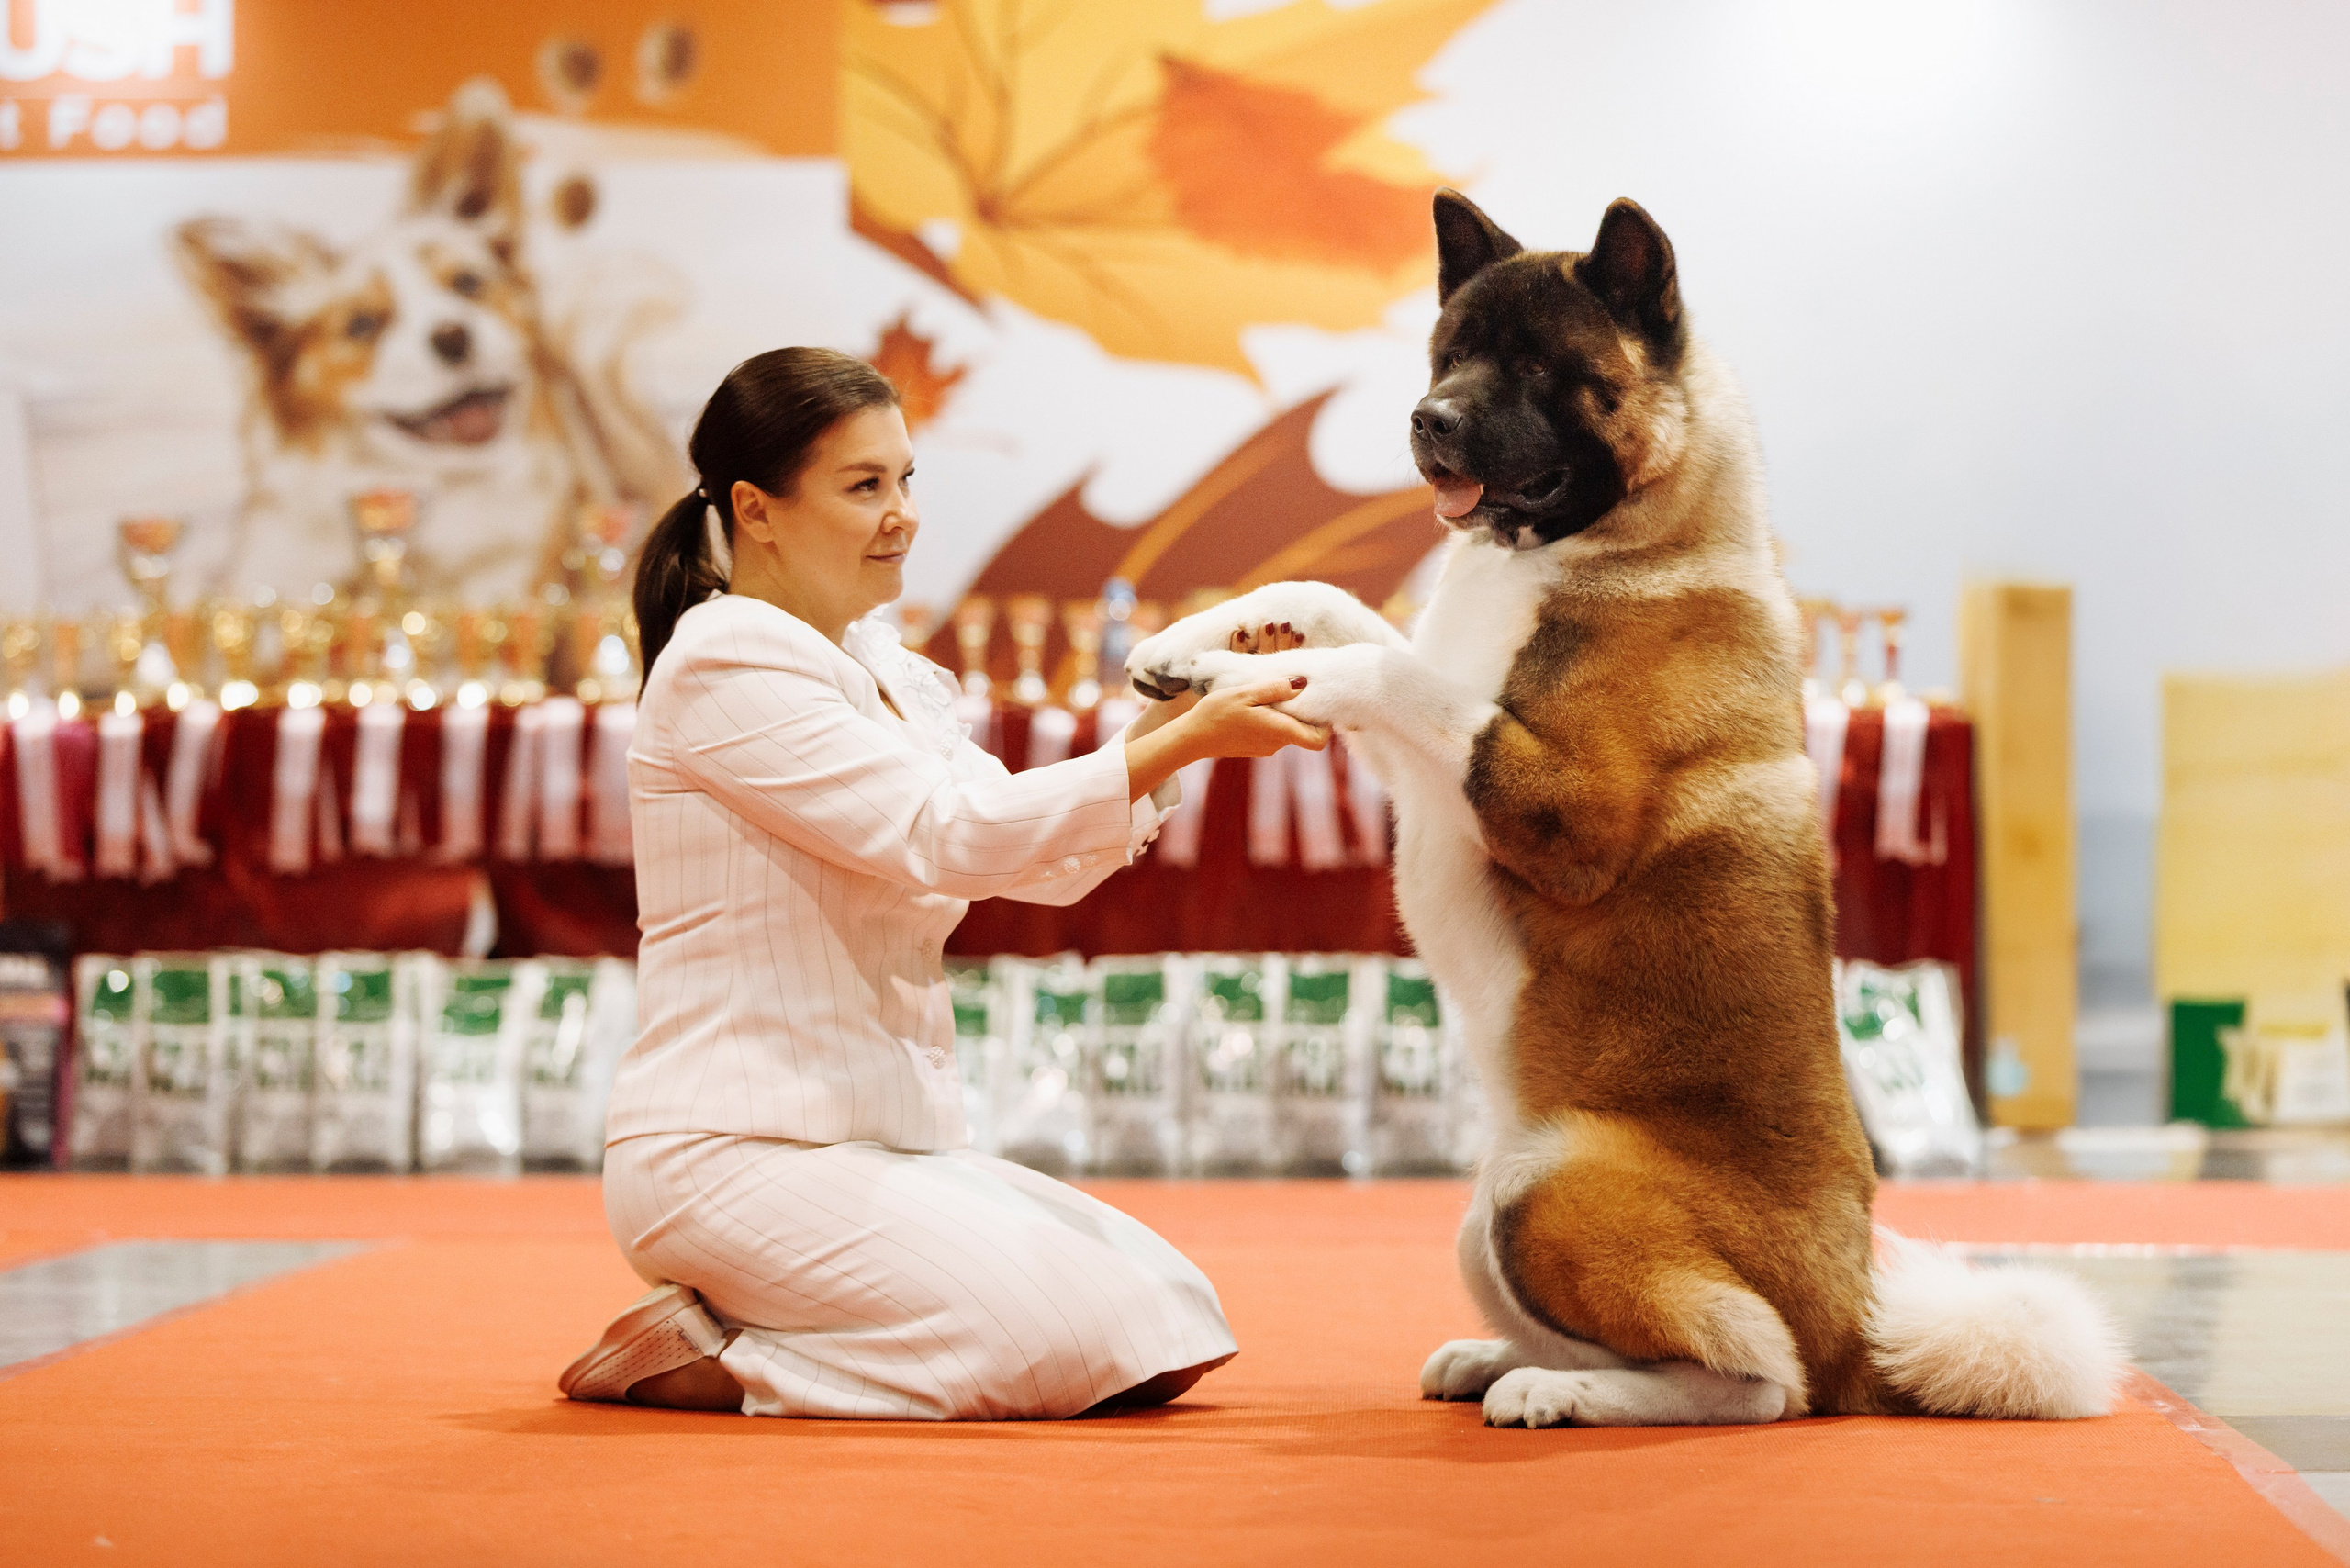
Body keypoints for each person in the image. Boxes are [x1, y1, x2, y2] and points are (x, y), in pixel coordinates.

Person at [558, 347, 1326, 1419]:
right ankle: (717, 1362)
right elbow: (945, 833)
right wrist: (1175, 742)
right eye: (863, 486)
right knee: (1057, 1346)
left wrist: (1177, 732)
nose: (901, 516)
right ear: (756, 510)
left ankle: (753, 1329)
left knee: (1164, 1313)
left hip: (878, 1141)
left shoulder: (877, 667)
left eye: (905, 480)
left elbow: (1037, 861)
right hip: (730, 1152)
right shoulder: (724, 661)